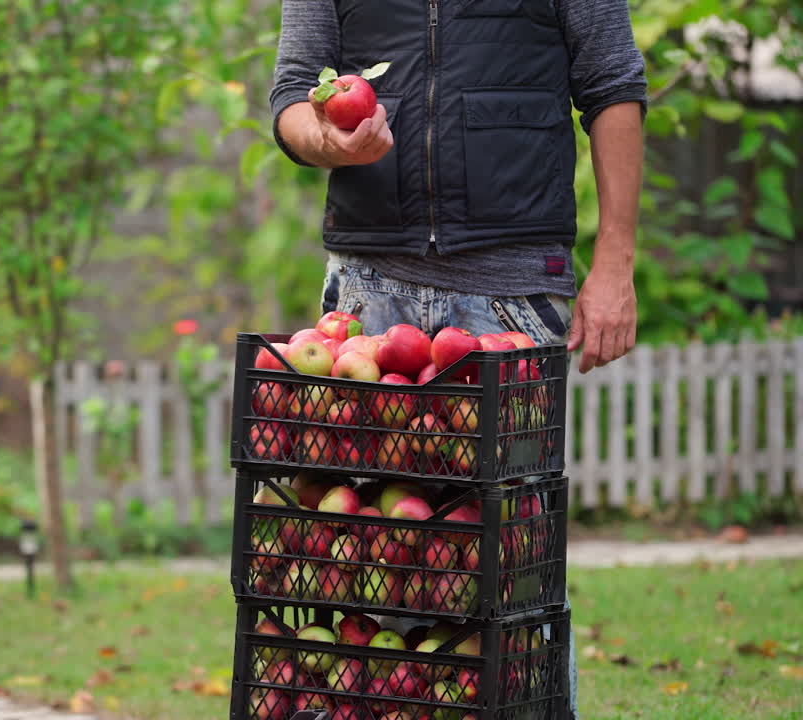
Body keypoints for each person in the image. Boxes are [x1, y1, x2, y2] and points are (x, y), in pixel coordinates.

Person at [270, 1, 647, 716]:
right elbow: (293, 94)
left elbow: (613, 83)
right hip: (366, 295)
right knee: (363, 569)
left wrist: (616, 264)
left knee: (513, 572)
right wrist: (328, 136)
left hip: (510, 293)